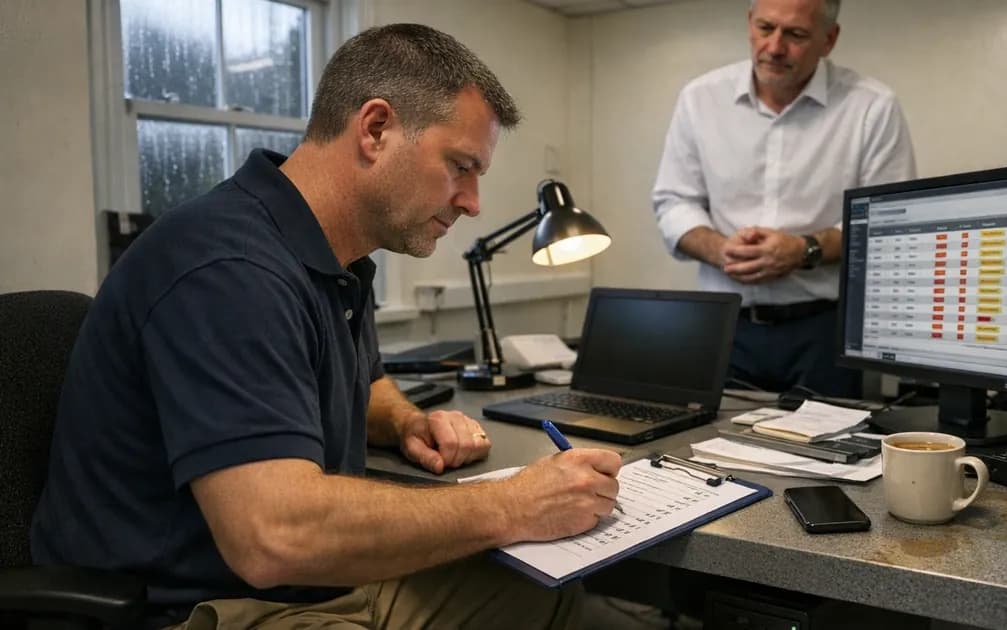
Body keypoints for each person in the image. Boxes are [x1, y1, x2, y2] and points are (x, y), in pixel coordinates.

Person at [31, 24, 621, 630]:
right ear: (375, 129)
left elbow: (363, 385)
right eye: (460, 166)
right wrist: (514, 504)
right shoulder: (227, 270)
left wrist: (405, 421)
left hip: (313, 584)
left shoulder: (332, 257)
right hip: (201, 607)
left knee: (556, 601)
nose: (472, 202)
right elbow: (273, 535)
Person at [652, 0, 916, 396]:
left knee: (832, 455)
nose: (774, 47)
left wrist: (805, 250)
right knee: (706, 453)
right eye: (765, 28)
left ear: (829, 39)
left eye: (795, 35)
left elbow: (888, 221)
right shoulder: (700, 98)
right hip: (722, 326)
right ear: (748, 24)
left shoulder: (872, 106)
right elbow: (673, 201)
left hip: (826, 331)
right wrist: (721, 249)